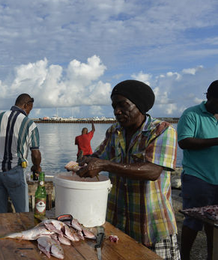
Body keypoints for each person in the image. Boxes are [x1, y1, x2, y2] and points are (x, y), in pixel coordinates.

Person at [77, 80, 180, 260]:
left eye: (123, 105)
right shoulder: (114, 132)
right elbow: (98, 157)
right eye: (114, 106)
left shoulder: (162, 131)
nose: (117, 111)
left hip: (152, 226)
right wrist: (84, 161)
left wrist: (105, 165)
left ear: (139, 105)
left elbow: (152, 171)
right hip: (119, 225)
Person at [0, 93, 42, 214]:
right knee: (22, 214)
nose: (29, 112)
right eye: (30, 109)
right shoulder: (29, 124)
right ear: (25, 105)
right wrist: (36, 167)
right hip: (15, 172)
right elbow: (35, 153)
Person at [177, 80, 218, 260]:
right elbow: (184, 142)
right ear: (208, 96)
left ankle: (212, 256)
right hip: (198, 177)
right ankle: (183, 256)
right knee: (193, 221)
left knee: (214, 223)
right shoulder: (191, 114)